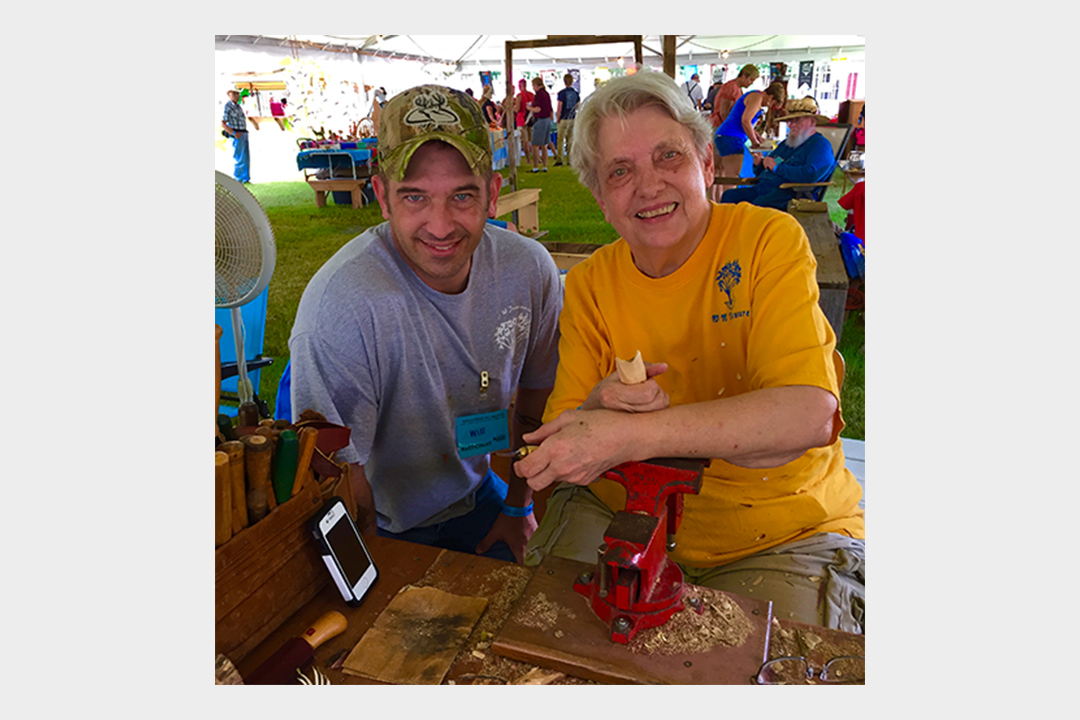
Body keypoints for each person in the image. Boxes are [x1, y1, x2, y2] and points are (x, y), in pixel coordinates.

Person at [513, 71, 864, 632]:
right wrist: (600, 403)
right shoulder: (588, 285)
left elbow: (806, 414)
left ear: (706, 165)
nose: (648, 186)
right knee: (547, 651)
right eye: (620, 172)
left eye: (668, 157)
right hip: (618, 510)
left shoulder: (765, 241)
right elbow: (565, 441)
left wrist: (631, 434)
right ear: (601, 199)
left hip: (781, 530)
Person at [289, 84, 564, 564]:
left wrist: (519, 507)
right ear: (382, 197)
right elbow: (337, 472)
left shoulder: (529, 271)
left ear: (493, 195)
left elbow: (539, 397)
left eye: (462, 195)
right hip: (380, 523)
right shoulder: (343, 304)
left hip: (481, 496)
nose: (440, 226)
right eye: (414, 197)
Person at [720, 97, 837, 212]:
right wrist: (760, 164)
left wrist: (777, 167)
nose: (791, 125)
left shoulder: (820, 145)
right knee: (729, 196)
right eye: (790, 121)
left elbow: (811, 174)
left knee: (755, 208)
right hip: (764, 189)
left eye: (797, 120)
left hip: (788, 194)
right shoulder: (788, 143)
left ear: (811, 121)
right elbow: (767, 168)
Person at [712, 82, 786, 201]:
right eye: (772, 104)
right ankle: (727, 207)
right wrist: (755, 142)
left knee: (719, 173)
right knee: (732, 177)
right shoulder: (757, 98)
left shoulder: (754, 96)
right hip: (732, 138)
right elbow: (745, 121)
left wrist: (757, 137)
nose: (769, 106)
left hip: (724, 135)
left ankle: (714, 202)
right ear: (771, 97)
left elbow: (747, 123)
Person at [710, 64, 760, 128]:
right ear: (744, 76)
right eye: (751, 79)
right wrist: (732, 128)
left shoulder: (738, 89)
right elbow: (723, 113)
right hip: (720, 126)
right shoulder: (730, 88)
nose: (751, 83)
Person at [221, 88, 251, 184]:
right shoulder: (228, 106)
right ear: (229, 94)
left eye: (237, 93)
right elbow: (223, 123)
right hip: (236, 133)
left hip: (243, 132)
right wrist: (233, 133)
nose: (237, 95)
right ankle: (239, 179)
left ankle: (245, 178)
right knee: (239, 157)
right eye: (234, 93)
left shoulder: (238, 107)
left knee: (245, 158)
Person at [526, 77, 554, 173]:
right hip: (547, 120)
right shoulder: (546, 94)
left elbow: (538, 109)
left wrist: (529, 108)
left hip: (540, 120)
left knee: (535, 145)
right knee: (544, 144)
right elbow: (550, 109)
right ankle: (545, 166)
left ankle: (536, 166)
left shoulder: (538, 95)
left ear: (536, 85)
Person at [554, 73, 580, 167]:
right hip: (572, 117)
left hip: (564, 118)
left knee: (560, 139)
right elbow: (578, 106)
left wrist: (558, 118)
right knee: (570, 139)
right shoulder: (576, 93)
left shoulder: (561, 93)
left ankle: (560, 159)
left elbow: (559, 107)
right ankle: (570, 159)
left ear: (564, 81)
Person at [514, 78, 535, 165]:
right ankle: (535, 157)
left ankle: (528, 159)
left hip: (521, 121)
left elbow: (518, 109)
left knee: (524, 141)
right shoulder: (531, 95)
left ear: (519, 86)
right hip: (531, 120)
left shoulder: (519, 96)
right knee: (532, 141)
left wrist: (513, 107)